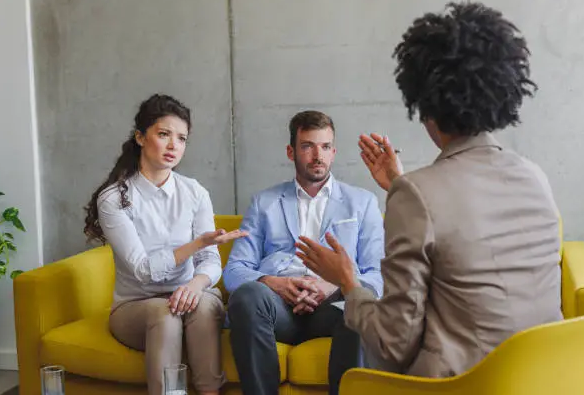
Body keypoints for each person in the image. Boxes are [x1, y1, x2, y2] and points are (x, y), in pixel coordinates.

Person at [296, 2, 563, 378]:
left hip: (462, 385)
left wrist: (348, 281)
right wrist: (400, 186)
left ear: (425, 104)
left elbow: (392, 347)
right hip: (545, 379)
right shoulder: (534, 176)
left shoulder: (418, 194)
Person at [83, 94, 247, 395]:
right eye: (164, 134)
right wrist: (196, 244)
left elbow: (210, 262)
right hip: (135, 306)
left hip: (190, 293)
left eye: (181, 138)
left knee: (205, 305)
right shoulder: (114, 198)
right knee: (165, 314)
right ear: (140, 137)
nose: (174, 145)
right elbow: (145, 271)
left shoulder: (194, 192)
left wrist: (195, 286)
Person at [223, 110, 384, 395]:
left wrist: (336, 284)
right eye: (308, 146)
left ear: (334, 152)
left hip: (335, 306)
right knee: (247, 296)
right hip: (278, 307)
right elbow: (234, 270)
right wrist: (277, 284)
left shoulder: (362, 202)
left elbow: (378, 275)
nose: (317, 155)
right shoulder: (264, 202)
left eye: (324, 147)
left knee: (362, 305)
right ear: (291, 151)